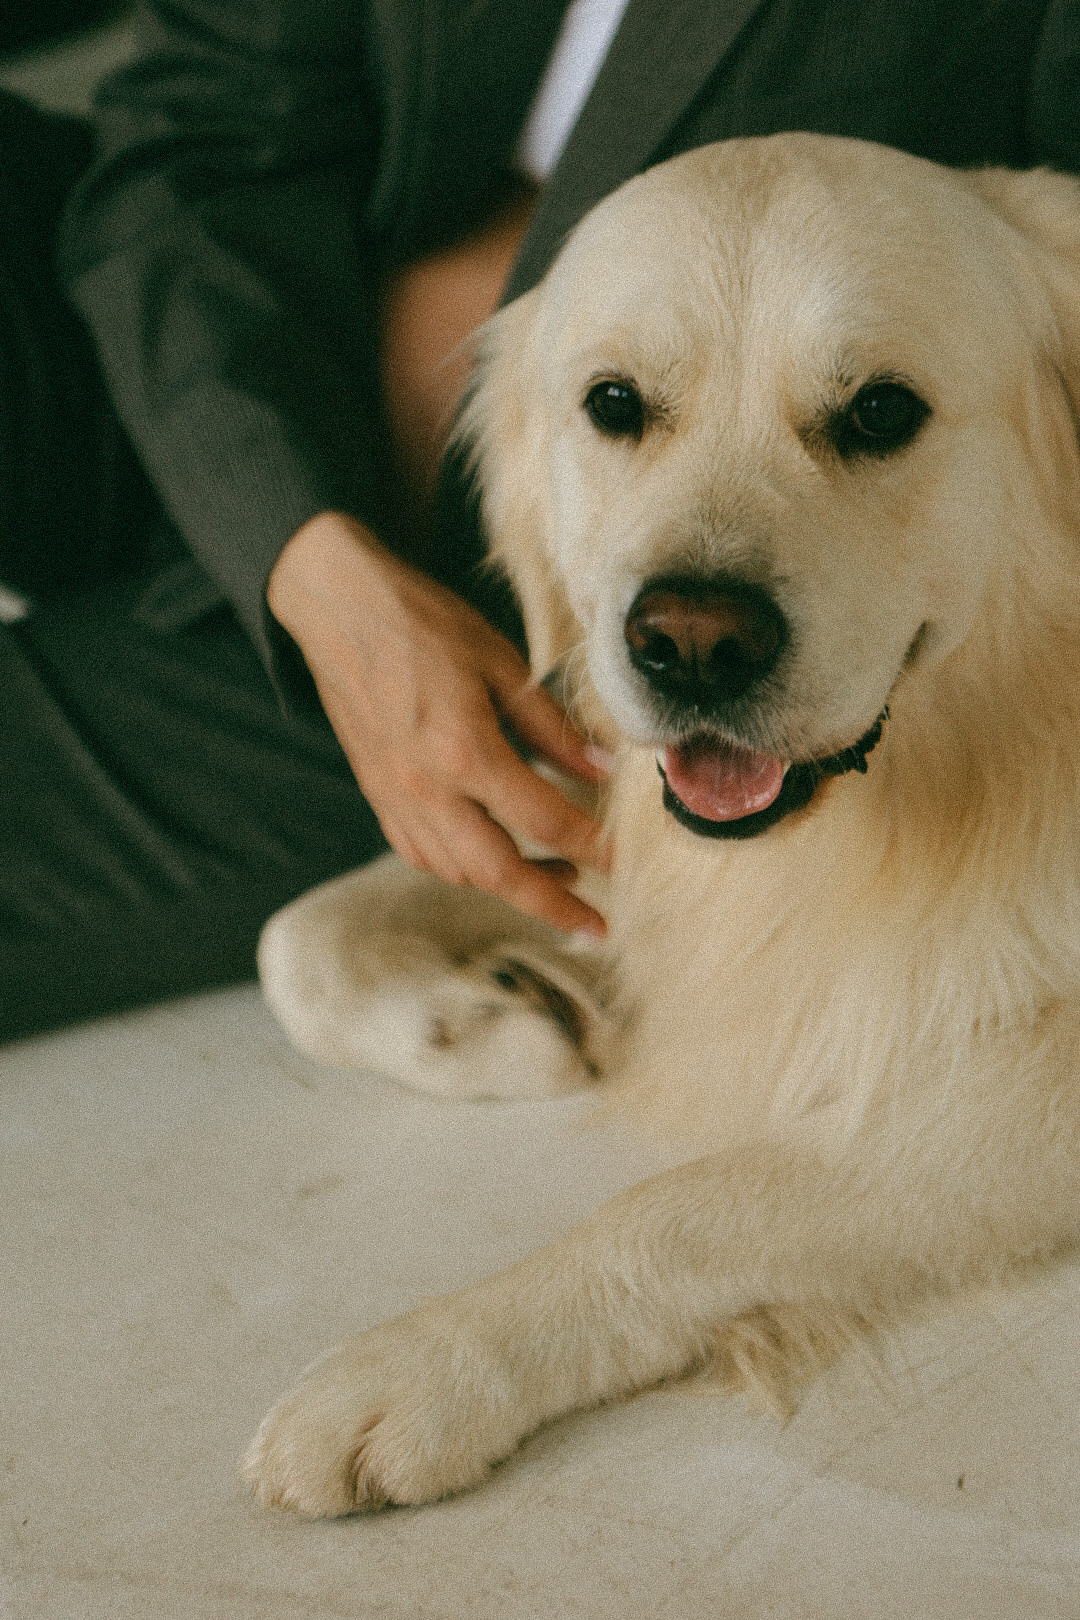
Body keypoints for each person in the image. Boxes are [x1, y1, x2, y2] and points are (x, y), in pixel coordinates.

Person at [1, 0, 1077, 1043]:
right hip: (182, 333)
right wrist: (300, 553)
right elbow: (201, 123)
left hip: (490, 631)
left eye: (873, 415)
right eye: (621, 402)